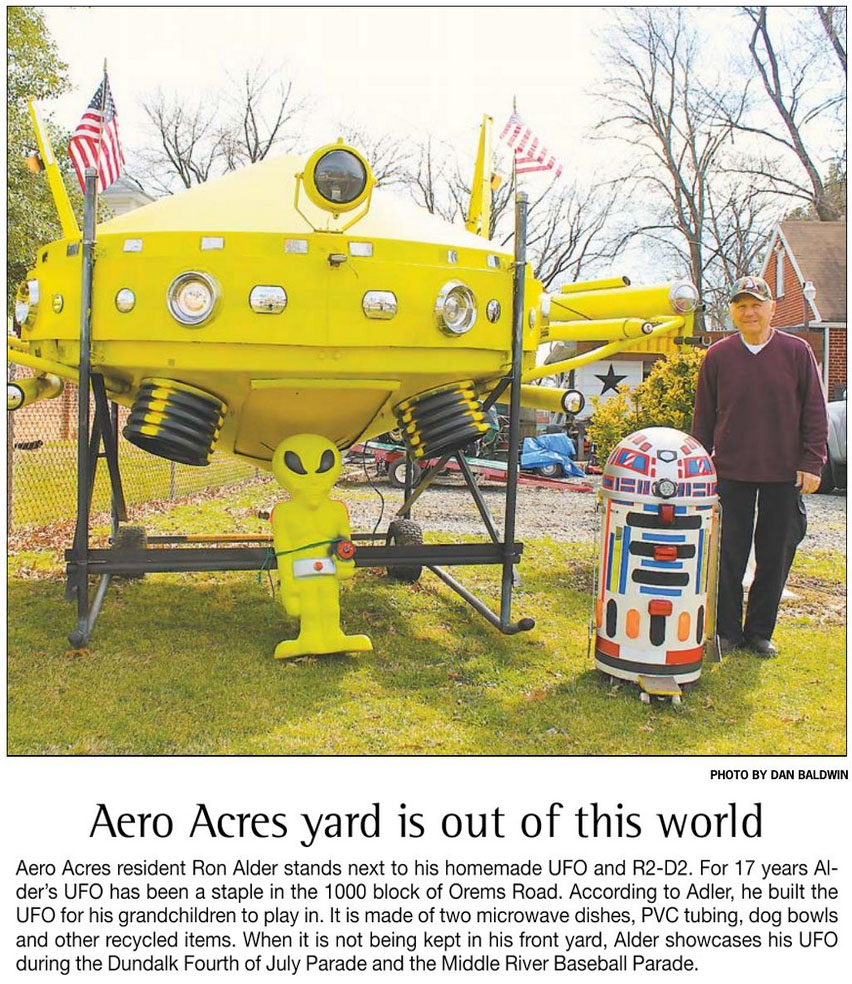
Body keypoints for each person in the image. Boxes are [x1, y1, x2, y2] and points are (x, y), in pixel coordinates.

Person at [691, 275, 828, 657]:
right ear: (733, 311)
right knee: (727, 554)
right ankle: (728, 631)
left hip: (783, 474)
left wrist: (811, 462)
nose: (749, 312)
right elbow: (703, 419)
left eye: (756, 305)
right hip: (730, 472)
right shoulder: (718, 356)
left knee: (776, 552)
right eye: (741, 306)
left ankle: (759, 633)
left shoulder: (797, 353)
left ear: (771, 309)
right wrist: (700, 466)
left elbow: (815, 413)